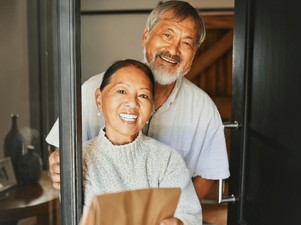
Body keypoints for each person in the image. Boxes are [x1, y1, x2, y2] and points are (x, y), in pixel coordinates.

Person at [47, 0, 230, 200]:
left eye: (186, 43)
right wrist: (58, 165)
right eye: (167, 35)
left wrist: (175, 214)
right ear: (146, 37)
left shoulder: (203, 110)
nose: (174, 50)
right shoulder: (94, 89)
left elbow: (207, 174)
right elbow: (63, 153)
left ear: (193, 54)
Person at [82, 59, 202, 225]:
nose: (132, 103)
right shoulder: (81, 159)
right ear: (99, 99)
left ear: (152, 108)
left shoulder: (167, 159)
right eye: (122, 91)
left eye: (143, 95)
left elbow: (189, 216)